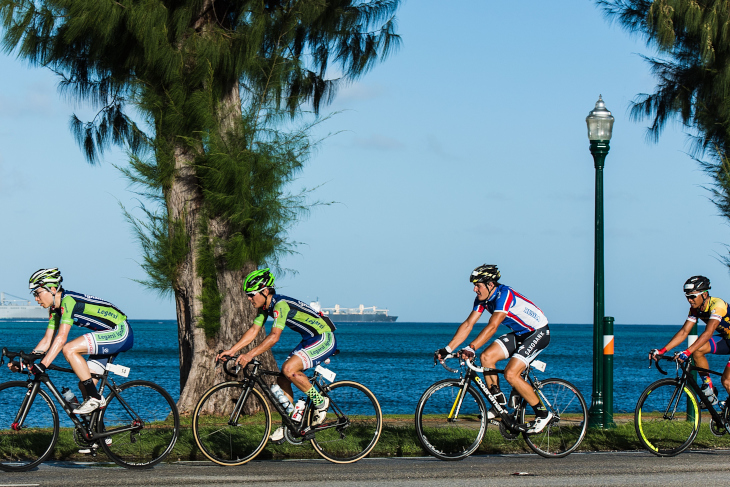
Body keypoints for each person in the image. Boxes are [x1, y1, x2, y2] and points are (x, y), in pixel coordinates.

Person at [217, 268, 337, 443]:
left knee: (288, 368)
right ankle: (290, 423)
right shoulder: (266, 307)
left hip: (324, 337)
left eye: (252, 295)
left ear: (265, 291)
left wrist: (249, 355)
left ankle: (320, 402)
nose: (249, 298)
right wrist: (233, 351)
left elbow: (274, 337)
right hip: (309, 339)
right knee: (282, 379)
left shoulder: (280, 305)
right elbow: (254, 331)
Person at [434, 264, 552, 433]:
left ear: (490, 284)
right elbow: (468, 324)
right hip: (520, 333)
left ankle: (543, 413)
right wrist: (447, 349)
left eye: (478, 285)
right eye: (474, 285)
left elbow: (493, 325)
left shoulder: (505, 295)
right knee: (487, 357)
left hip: (538, 332)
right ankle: (498, 404)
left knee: (511, 374)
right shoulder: (483, 300)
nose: (475, 289)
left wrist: (471, 347)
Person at [9, 268, 134, 417]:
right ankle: (96, 435)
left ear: (53, 289)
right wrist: (27, 360)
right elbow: (47, 340)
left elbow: (61, 338)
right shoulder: (55, 310)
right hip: (106, 335)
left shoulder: (68, 301)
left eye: (37, 293)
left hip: (120, 331)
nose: (36, 298)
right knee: (84, 384)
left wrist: (43, 365)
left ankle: (96, 398)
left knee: (69, 348)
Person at [650, 275, 730, 407]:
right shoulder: (695, 309)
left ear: (704, 295)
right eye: (687, 297)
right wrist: (662, 351)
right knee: (697, 350)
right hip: (727, 339)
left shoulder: (718, 305)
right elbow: (684, 332)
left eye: (693, 296)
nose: (689, 300)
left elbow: (708, 332)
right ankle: (709, 389)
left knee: (727, 381)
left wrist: (687, 352)